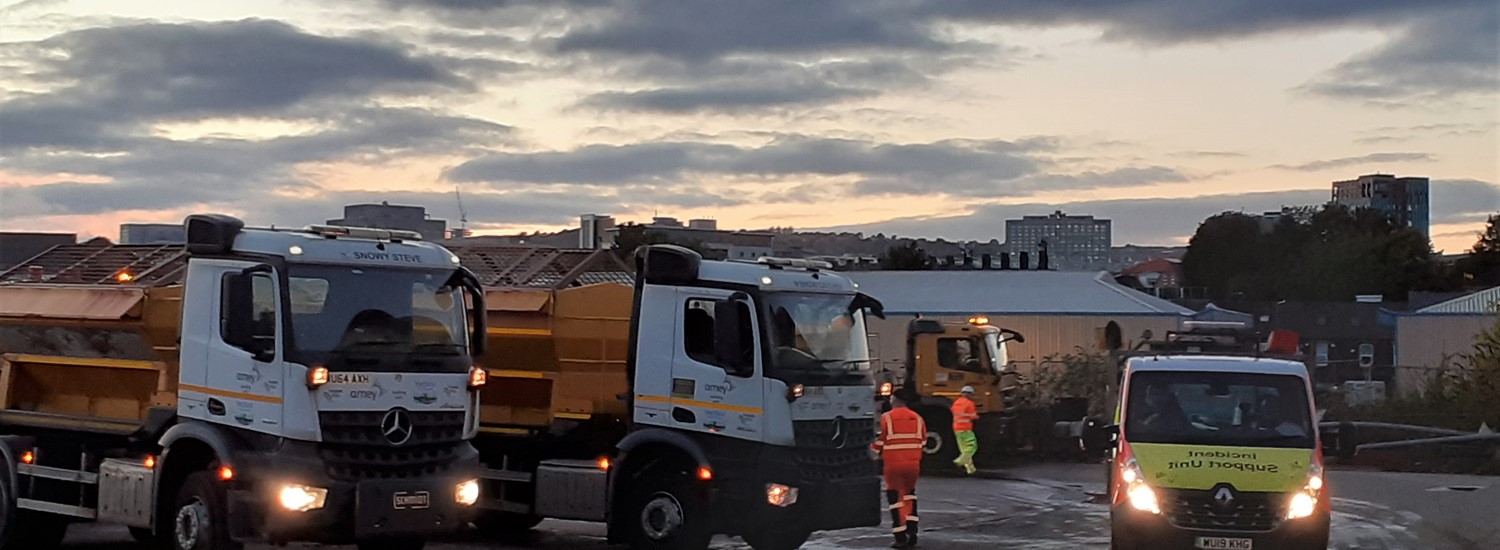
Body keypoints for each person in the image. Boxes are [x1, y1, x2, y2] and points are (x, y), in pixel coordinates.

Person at [872, 390, 926, 548]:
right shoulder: (918, 418)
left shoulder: (886, 418)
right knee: (909, 494)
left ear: (893, 400)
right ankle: (912, 530)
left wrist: (871, 453)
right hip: (913, 464)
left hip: (893, 464)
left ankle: (900, 536)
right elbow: (923, 441)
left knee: (895, 499)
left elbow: (880, 442)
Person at [951, 386, 980, 475]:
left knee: (964, 449)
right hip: (966, 428)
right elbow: (972, 416)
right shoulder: (969, 403)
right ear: (969, 394)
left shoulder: (956, 403)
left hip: (956, 428)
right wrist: (977, 416)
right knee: (972, 447)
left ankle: (971, 469)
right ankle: (959, 461)